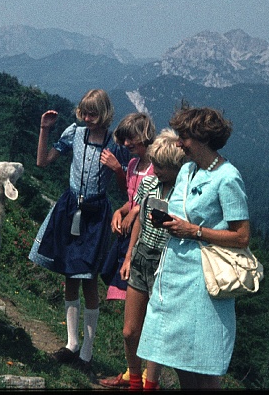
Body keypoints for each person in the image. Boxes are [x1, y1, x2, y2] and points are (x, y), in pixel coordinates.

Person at [136, 106, 250, 390]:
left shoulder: (227, 177)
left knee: (203, 359)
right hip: (174, 273)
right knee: (177, 354)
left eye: (184, 137)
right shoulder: (187, 170)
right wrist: (168, 221)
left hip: (203, 279)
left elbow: (242, 236)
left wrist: (195, 231)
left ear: (203, 139)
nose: (178, 143)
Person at [28, 89, 130, 375]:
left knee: (89, 279)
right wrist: (44, 130)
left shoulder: (115, 144)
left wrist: (118, 170)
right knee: (69, 274)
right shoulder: (75, 133)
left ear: (105, 114)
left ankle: (87, 352)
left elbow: (127, 190)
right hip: (71, 206)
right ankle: (72, 344)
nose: (87, 118)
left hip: (96, 215)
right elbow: (42, 161)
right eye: (84, 112)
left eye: (93, 113)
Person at [100, 129, 187, 391]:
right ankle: (134, 380)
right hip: (141, 257)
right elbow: (138, 217)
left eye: (161, 166)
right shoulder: (150, 184)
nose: (156, 170)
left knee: (156, 330)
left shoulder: (184, 193)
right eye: (155, 164)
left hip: (166, 261)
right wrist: (128, 257)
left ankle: (151, 384)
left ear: (176, 166)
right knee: (130, 331)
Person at [101, 112, 156, 301]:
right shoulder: (133, 164)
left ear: (144, 135)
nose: (126, 143)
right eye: (124, 139)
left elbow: (152, 201)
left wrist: (134, 211)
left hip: (144, 235)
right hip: (127, 233)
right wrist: (121, 211)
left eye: (130, 138)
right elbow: (132, 198)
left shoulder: (157, 167)